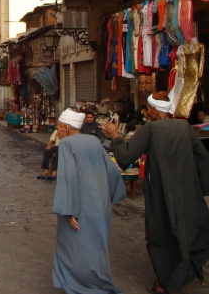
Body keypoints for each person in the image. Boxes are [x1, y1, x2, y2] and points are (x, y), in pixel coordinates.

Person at [102, 92, 209, 294]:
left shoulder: (151, 129)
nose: (146, 113)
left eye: (148, 109)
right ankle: (185, 270)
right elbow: (202, 157)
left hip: (162, 193)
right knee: (187, 230)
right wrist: (204, 189)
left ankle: (164, 284)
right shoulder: (184, 127)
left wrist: (116, 137)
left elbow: (125, 158)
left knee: (161, 235)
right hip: (187, 192)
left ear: (153, 111)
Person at [52, 109, 126, 294]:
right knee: (97, 250)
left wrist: (69, 210)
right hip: (99, 206)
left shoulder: (67, 144)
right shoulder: (94, 141)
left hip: (79, 208)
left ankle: (77, 284)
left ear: (67, 129)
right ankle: (98, 282)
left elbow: (67, 178)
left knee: (72, 249)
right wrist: (108, 198)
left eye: (60, 128)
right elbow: (113, 172)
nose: (58, 132)